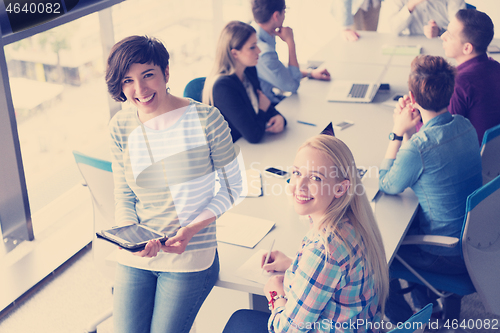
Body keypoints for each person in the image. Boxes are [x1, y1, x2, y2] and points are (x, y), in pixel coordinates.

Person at [105, 35, 242, 333]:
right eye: (127, 81)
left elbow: (232, 188)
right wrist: (131, 238)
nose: (139, 90)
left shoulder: (207, 121)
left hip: (190, 254)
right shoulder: (120, 126)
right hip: (139, 254)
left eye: (148, 75)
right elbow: (124, 193)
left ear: (166, 72)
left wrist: (191, 229)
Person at [223, 135, 389, 332]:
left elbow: (287, 330)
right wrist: (294, 265)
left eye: (315, 178)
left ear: (340, 188)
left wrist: (275, 294)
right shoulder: (351, 221)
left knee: (239, 321)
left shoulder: (324, 250)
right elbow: (333, 274)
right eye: (296, 173)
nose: (298, 186)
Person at [378, 55, 482, 323]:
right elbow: (425, 160)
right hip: (473, 243)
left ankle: (411, 324)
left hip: (445, 254)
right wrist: (412, 130)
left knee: (379, 257)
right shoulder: (465, 125)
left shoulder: (418, 148)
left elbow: (388, 184)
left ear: (412, 96)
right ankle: (433, 309)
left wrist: (397, 131)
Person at [203, 21, 286, 143]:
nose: (259, 51)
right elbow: (254, 135)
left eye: (256, 44)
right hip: (235, 152)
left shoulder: (249, 70)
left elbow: (262, 102)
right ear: (235, 53)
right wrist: (263, 109)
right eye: (252, 47)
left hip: (254, 148)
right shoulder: (222, 87)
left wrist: (279, 117)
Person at [251, 0, 331, 104]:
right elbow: (292, 86)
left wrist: (310, 73)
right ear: (276, 15)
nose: (284, 15)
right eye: (284, 10)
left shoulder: (255, 31)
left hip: (272, 97)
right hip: (268, 107)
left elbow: (279, 72)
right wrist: (290, 42)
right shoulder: (263, 51)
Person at [441, 9, 500, 144]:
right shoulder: (497, 67)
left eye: (449, 35)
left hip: (468, 160)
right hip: (493, 157)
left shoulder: (459, 84)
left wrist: (415, 121)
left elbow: (444, 139)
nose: (442, 36)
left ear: (467, 48)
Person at [385, 0, 465, 38]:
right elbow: (393, 29)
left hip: (443, 45)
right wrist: (411, 5)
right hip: (410, 47)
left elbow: (460, 31)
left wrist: (440, 32)